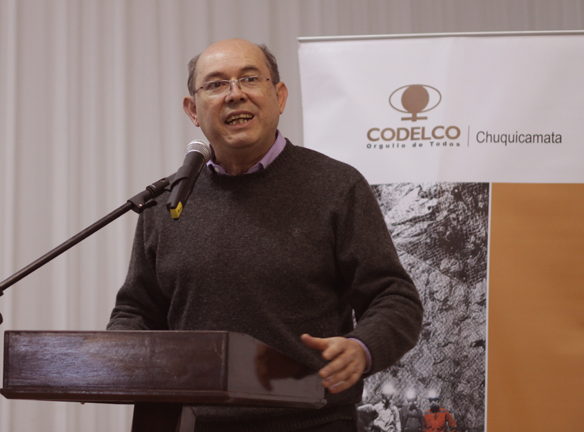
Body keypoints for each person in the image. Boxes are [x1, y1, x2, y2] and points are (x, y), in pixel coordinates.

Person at [108, 38, 423, 432]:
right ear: (193, 110)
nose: (235, 94)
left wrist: (362, 347)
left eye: (250, 79)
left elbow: (394, 298)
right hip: (186, 423)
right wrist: (114, 354)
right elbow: (137, 312)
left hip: (310, 421)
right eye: (216, 84)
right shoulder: (169, 199)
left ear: (280, 96)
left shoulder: (336, 187)